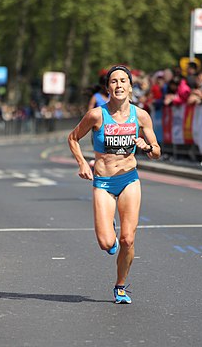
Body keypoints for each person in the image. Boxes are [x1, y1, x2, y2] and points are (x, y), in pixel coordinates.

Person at [68, 65, 161, 304]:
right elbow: (73, 138)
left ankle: (120, 286)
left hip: (129, 179)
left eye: (123, 81)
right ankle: (107, 222)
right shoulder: (97, 115)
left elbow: (157, 151)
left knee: (127, 239)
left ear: (130, 86)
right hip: (103, 182)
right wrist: (82, 164)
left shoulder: (140, 116)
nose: (119, 85)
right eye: (113, 82)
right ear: (108, 87)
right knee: (107, 243)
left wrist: (148, 147)